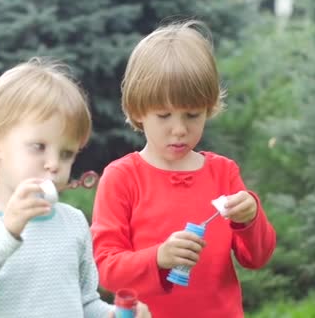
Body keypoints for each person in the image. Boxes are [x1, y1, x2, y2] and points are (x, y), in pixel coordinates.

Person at [0, 58, 151, 318]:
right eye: (38, 147)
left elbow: (84, 304)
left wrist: (113, 314)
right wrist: (6, 232)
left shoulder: (73, 223)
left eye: (66, 153)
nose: (53, 164)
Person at [90, 20, 277, 318]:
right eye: (164, 115)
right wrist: (158, 258)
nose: (179, 130)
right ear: (138, 111)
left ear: (209, 108)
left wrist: (250, 218)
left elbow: (257, 257)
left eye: (192, 115)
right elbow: (104, 268)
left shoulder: (223, 173)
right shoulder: (122, 178)